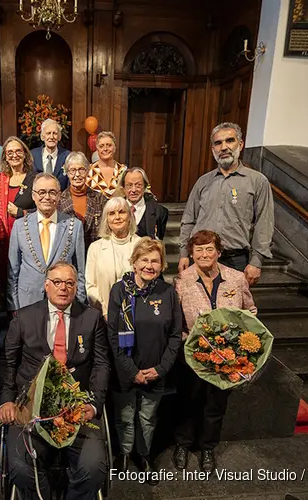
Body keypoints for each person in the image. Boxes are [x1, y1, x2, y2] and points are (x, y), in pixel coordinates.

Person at [0, 262, 110, 500]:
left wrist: (94, 405)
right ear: (46, 286)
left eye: (70, 283)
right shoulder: (24, 317)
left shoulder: (91, 318)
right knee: (21, 469)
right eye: (57, 282)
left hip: (77, 410)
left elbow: (101, 365)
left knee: (93, 468)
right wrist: (6, 400)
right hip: (29, 408)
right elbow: (8, 363)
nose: (63, 288)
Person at [174, 230, 256, 473]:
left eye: (210, 249)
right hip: (194, 354)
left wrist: (240, 342)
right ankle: (183, 444)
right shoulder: (182, 281)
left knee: (215, 403)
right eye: (198, 250)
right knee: (189, 400)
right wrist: (189, 343)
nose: (204, 254)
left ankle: (208, 447)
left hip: (227, 357)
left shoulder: (236, 278)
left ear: (219, 252)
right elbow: (176, 323)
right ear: (191, 253)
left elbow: (250, 309)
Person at [106, 237, 182, 483]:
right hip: (125, 371)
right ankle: (125, 454)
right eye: (144, 260)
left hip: (155, 372)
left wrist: (160, 369)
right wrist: (131, 371)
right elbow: (113, 336)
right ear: (135, 262)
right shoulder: (119, 290)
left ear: (161, 266)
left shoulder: (168, 292)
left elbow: (174, 336)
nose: (150, 265)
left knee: (148, 418)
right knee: (125, 417)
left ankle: (144, 455)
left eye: (155, 261)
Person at [178, 122, 274, 285]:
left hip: (235, 260)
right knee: (198, 309)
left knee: (232, 309)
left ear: (241, 144)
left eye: (229, 141)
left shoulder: (257, 181)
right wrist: (183, 254)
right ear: (213, 149)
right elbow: (188, 219)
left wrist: (256, 261)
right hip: (201, 258)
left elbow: (264, 223)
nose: (223, 147)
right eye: (218, 143)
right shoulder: (203, 182)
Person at [7, 173, 86, 311]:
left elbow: (80, 271)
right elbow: (13, 272)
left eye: (52, 192)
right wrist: (14, 307)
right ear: (33, 195)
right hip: (28, 302)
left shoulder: (75, 226)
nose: (47, 197)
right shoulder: (19, 226)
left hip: (63, 303)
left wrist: (78, 302)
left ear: (59, 195)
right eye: (42, 192)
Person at [0, 136, 37, 308]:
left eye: (18, 151)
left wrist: (20, 212)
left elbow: (44, 211)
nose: (14, 155)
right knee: (6, 278)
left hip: (27, 237)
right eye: (9, 152)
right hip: (5, 238)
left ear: (25, 154)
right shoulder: (1, 180)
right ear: (5, 156)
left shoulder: (34, 179)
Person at [85, 197, 140, 318]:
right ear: (106, 219)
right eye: (111, 213)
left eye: (121, 212)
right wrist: (106, 310)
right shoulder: (95, 248)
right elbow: (90, 287)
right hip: (103, 315)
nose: (117, 217)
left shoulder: (141, 245)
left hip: (137, 314)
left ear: (130, 217)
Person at [57, 151, 105, 248]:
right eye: (72, 170)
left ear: (87, 172)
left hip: (94, 252)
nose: (77, 174)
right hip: (68, 254)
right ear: (67, 172)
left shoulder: (100, 199)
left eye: (81, 169)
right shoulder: (59, 201)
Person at [116, 167, 169, 240]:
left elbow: (158, 242)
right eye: (129, 185)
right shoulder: (115, 209)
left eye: (138, 185)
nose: (133, 190)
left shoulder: (159, 212)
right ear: (123, 188)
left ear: (145, 186)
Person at [30, 118, 70, 190]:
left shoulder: (67, 156)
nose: (51, 137)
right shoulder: (32, 156)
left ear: (59, 137)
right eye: (48, 133)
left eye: (54, 133)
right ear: (42, 136)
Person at [86, 131, 126, 200]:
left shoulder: (123, 171)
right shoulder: (88, 171)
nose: (105, 149)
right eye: (101, 146)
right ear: (97, 149)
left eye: (109, 145)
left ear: (114, 148)